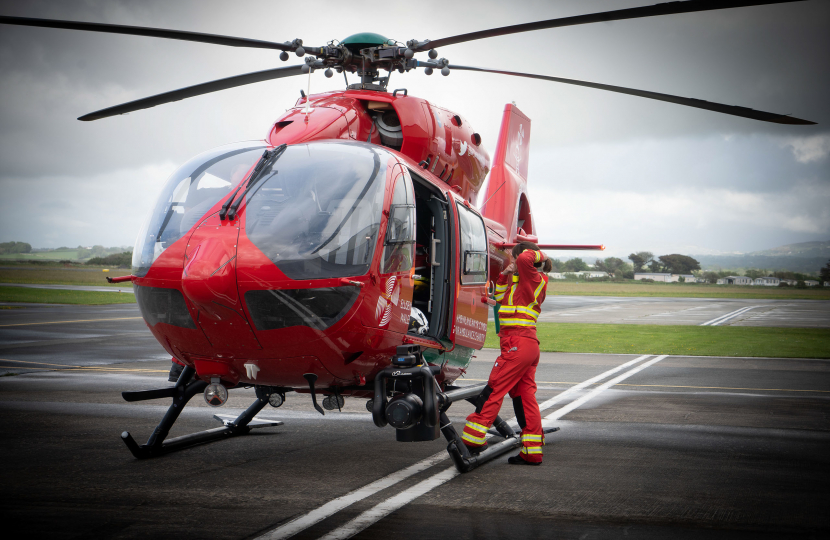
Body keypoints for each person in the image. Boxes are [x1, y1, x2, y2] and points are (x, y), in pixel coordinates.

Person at [461, 241, 553, 465]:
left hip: (517, 344)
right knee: (524, 398)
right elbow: (500, 298)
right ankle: (532, 451)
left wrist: (536, 255)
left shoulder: (533, 277)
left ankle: (473, 437)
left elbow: (524, 259)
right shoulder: (520, 281)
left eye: (514, 257)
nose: (513, 261)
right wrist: (505, 273)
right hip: (524, 344)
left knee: (494, 388)